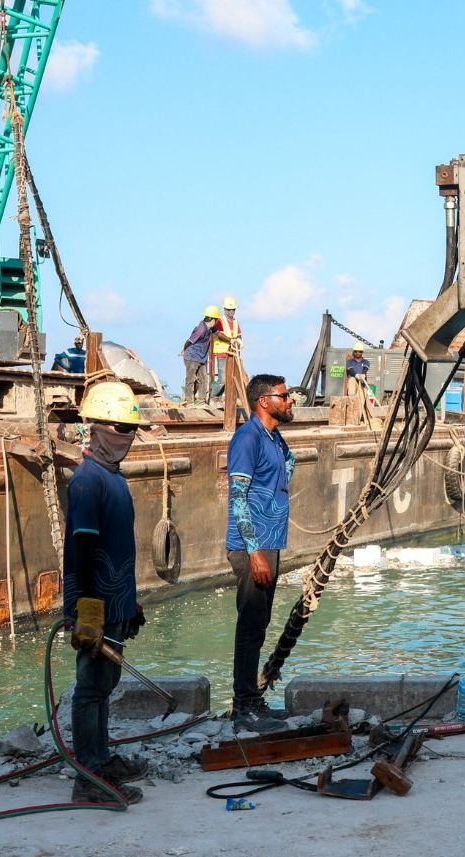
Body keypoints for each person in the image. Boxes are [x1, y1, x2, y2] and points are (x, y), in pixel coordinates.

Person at [63, 381, 150, 804]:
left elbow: (118, 547)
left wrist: (127, 603)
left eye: (131, 429)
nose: (127, 437)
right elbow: (84, 547)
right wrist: (89, 610)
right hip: (94, 601)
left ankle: (100, 758)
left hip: (115, 599)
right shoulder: (87, 481)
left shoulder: (113, 477)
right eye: (120, 428)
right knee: (90, 687)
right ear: (95, 428)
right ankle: (88, 779)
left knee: (106, 683)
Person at [226, 373, 296, 731]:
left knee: (260, 624)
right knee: (250, 625)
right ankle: (244, 707)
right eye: (284, 396)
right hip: (252, 545)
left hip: (270, 541)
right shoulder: (247, 438)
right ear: (264, 401)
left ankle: (253, 700)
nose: (290, 401)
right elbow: (237, 497)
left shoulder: (273, 437)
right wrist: (254, 553)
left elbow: (289, 464)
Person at [180, 306, 219, 405]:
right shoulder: (201, 329)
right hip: (192, 357)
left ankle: (202, 401)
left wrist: (231, 340)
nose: (217, 321)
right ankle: (189, 402)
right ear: (212, 320)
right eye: (216, 319)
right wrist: (184, 350)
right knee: (190, 379)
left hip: (201, 358)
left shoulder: (210, 328)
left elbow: (219, 333)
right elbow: (189, 341)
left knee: (203, 379)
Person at [210, 296, 242, 399]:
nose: (231, 312)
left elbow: (239, 335)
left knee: (230, 379)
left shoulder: (235, 322)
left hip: (233, 354)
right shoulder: (220, 321)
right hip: (222, 353)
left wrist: (239, 341)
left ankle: (219, 398)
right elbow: (219, 334)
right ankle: (213, 397)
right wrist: (231, 340)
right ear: (224, 309)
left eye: (233, 309)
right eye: (228, 309)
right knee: (222, 379)